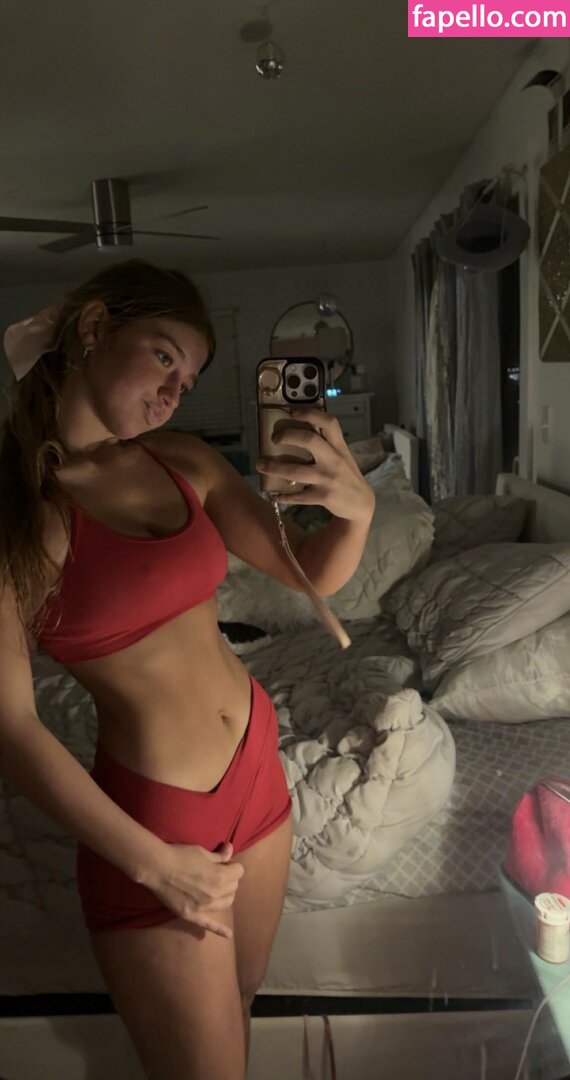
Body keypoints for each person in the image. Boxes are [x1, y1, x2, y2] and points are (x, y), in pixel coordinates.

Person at [0, 258, 374, 1080]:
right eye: (164, 356)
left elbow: (312, 572)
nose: (174, 392)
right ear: (94, 330)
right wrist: (153, 863)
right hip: (161, 823)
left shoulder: (183, 460)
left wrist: (358, 510)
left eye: (190, 378)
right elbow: (11, 728)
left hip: (260, 776)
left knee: (238, 1010)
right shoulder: (20, 513)